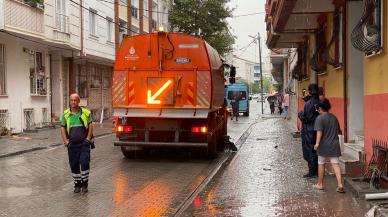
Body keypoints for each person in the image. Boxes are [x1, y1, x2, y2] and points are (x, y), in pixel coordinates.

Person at [60, 93, 94, 193]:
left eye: (75, 100)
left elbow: (91, 125)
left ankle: (84, 184)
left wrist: (88, 139)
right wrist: (66, 141)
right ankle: (77, 185)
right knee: (74, 164)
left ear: (79, 101)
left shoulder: (86, 113)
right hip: (72, 145)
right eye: (71, 100)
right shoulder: (66, 114)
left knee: (84, 163)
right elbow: (62, 127)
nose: (73, 102)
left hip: (84, 144)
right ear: (69, 101)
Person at [313, 98, 345, 193]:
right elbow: (339, 131)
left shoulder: (319, 118)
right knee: (335, 164)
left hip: (323, 145)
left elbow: (319, 131)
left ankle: (320, 184)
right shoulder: (334, 117)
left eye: (318, 108)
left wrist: (317, 143)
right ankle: (340, 184)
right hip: (334, 144)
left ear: (320, 108)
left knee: (321, 163)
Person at [298, 84, 320, 178]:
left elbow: (306, 118)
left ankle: (312, 171)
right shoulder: (318, 101)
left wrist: (300, 114)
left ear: (310, 91)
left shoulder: (309, 103)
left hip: (309, 130)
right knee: (315, 150)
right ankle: (316, 169)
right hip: (316, 129)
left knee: (309, 150)